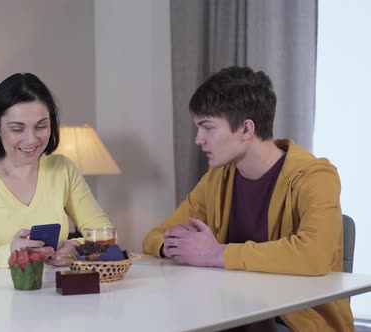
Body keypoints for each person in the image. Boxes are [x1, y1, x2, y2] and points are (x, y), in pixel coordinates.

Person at [143, 66, 354, 331]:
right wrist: (177, 246)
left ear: (246, 129)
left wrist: (214, 253)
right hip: (231, 312)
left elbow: (315, 254)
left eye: (207, 127)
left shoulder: (315, 176)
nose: (198, 139)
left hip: (295, 322)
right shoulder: (217, 178)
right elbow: (155, 236)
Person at [0, 73, 113, 273]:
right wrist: (10, 253)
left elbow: (105, 233)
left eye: (41, 126)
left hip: (55, 297)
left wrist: (75, 248)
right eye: (17, 129)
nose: (31, 139)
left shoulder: (63, 169)